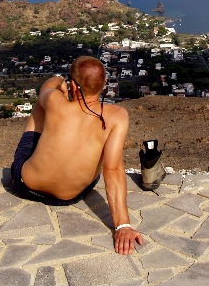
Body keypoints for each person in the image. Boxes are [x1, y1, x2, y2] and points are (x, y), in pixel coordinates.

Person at [10, 56, 142, 255]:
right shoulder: (117, 115)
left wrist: (59, 82)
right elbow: (112, 169)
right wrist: (122, 225)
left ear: (73, 84)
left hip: (27, 185)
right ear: (104, 84)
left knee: (43, 103)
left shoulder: (56, 102)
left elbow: (46, 89)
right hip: (70, 196)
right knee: (99, 150)